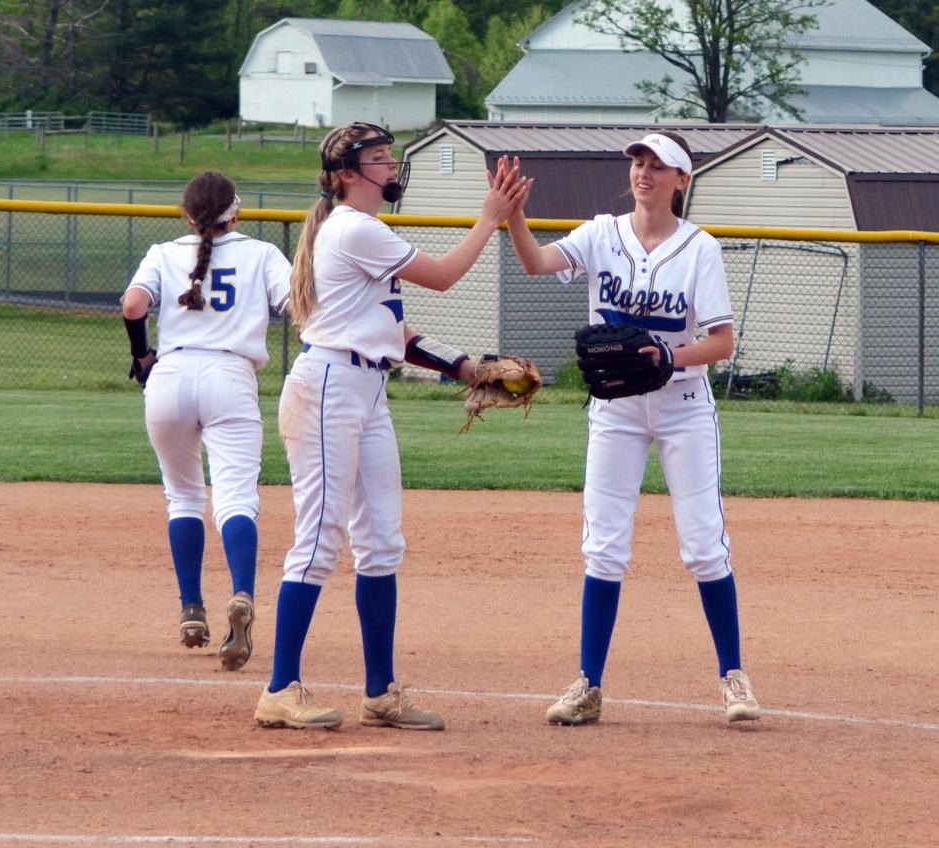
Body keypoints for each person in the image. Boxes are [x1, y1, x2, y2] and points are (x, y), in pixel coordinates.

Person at [253, 122, 529, 731]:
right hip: (328, 388)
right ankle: (278, 689)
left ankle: (380, 692)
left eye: (389, 155)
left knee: (381, 541)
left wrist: (463, 366)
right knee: (320, 538)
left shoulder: (361, 231)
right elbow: (444, 275)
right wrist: (491, 217)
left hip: (366, 390)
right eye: (378, 159)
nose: (391, 166)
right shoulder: (354, 227)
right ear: (349, 175)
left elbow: (394, 333)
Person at [504, 132, 762, 725]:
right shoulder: (601, 233)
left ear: (682, 181)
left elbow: (721, 341)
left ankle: (733, 677)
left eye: (659, 165)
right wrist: (516, 217)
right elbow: (535, 262)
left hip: (683, 407)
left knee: (703, 545)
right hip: (616, 409)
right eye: (639, 163)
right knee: (604, 546)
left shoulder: (700, 250)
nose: (644, 172)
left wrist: (672, 359)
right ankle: (588, 683)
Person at [122, 170, 292, 672]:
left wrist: (142, 357)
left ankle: (191, 609)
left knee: (184, 498)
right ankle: (240, 593)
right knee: (235, 497)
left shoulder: (162, 252)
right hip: (229, 376)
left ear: (188, 215)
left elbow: (133, 305)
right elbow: (298, 306)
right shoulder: (261, 254)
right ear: (235, 213)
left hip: (169, 377)